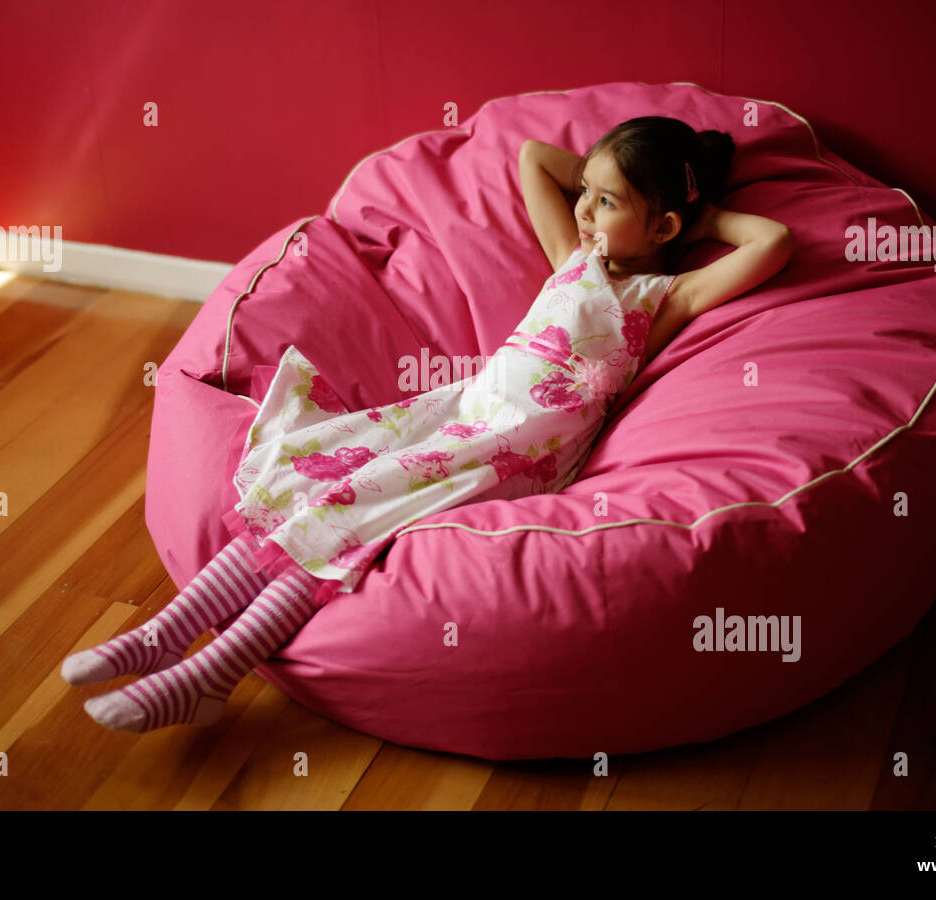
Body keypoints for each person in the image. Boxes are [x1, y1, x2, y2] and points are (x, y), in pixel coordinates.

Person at [61, 115, 794, 732]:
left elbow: (773, 244)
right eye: (589, 194)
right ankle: (164, 634)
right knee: (318, 475)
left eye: (606, 202)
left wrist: (700, 217)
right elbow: (535, 159)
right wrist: (608, 185)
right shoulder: (572, 257)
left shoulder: (663, 297)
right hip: (463, 410)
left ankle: (213, 671)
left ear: (663, 224)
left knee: (354, 510)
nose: (583, 208)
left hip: (514, 448)